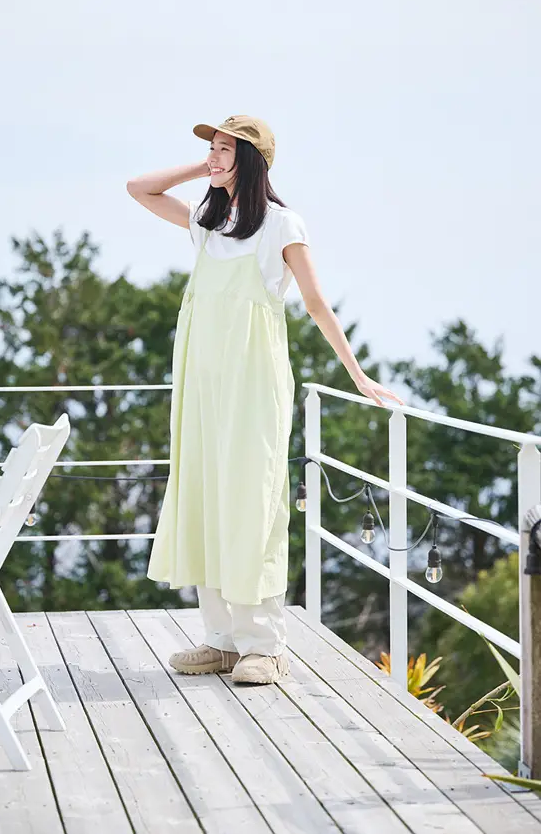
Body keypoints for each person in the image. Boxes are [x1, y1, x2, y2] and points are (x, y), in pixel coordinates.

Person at [127, 114, 404, 685]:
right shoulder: (207, 221)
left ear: (252, 160)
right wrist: (205, 167)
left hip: (253, 384)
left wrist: (356, 374)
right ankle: (222, 641)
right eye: (212, 148)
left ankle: (265, 646)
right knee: (205, 498)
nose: (214, 156)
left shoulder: (281, 224)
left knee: (251, 502)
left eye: (225, 150)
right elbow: (139, 188)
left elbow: (316, 303)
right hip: (201, 383)